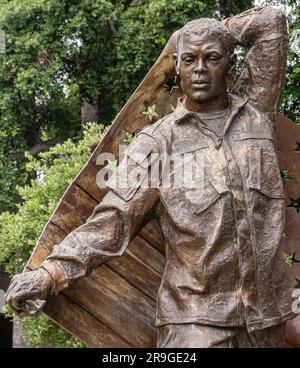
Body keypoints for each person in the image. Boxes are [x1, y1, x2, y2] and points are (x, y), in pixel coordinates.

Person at [5, 6, 296, 347]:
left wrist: (210, 30)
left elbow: (271, 21)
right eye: (189, 59)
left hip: (265, 320)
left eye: (212, 58)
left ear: (230, 64)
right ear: (177, 67)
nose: (200, 69)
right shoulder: (157, 144)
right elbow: (112, 223)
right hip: (195, 324)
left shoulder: (256, 113)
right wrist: (49, 273)